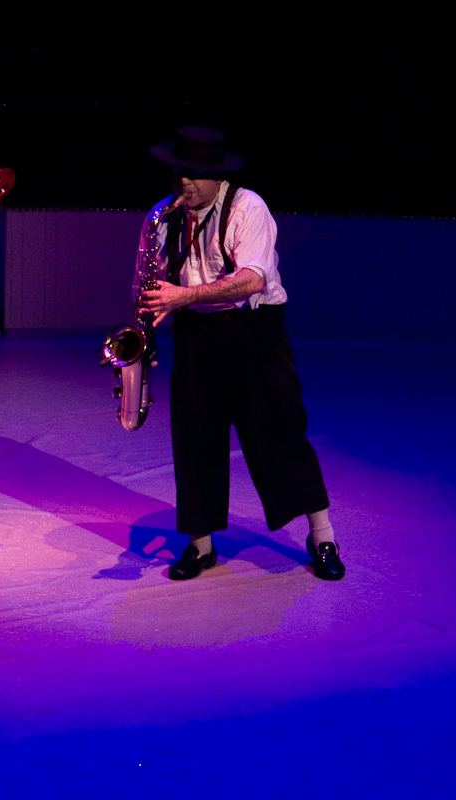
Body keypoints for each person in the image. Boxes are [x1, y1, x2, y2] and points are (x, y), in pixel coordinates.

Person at [136, 126, 345, 582]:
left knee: (281, 433)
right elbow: (153, 289)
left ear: (216, 175)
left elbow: (251, 279)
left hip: (252, 331)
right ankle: (200, 545)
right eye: (177, 171)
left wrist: (182, 297)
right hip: (196, 333)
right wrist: (146, 330)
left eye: (193, 174)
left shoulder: (248, 207)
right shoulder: (162, 217)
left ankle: (322, 536)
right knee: (195, 438)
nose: (183, 182)